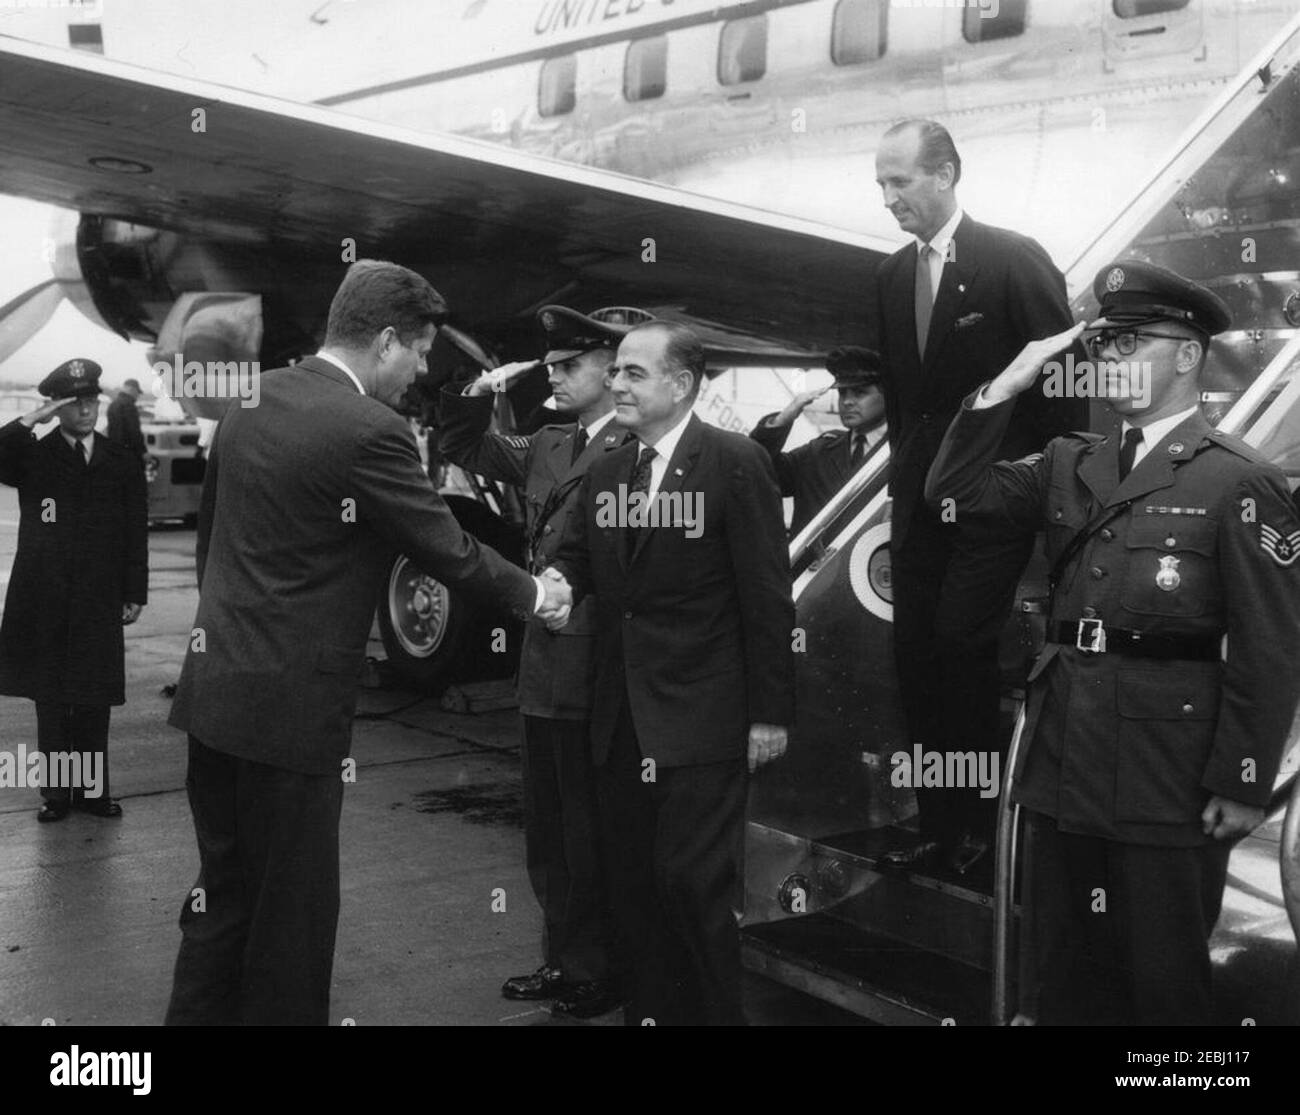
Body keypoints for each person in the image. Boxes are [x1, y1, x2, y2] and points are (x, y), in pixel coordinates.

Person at [164, 260, 573, 1026]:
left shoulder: (253, 399)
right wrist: (536, 593)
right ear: (385, 340)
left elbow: (213, 539)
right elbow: (445, 547)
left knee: (221, 898)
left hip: (213, 695)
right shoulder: (370, 430)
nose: (422, 368)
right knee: (293, 917)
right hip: (290, 715)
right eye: (418, 352)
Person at [926, 260, 1300, 1024]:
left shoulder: (1238, 480)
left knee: (1163, 984)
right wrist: (1008, 383)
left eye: (1133, 343)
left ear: (1189, 355)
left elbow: (1271, 641)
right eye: (1104, 345)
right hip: (1064, 756)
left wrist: (1244, 777)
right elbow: (954, 496)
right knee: (1060, 978)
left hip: (1168, 771)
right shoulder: (1072, 461)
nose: (1111, 360)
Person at [550, 320, 795, 1025]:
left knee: (692, 885)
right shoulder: (609, 467)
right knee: (632, 891)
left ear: (680, 384)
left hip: (702, 721)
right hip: (621, 718)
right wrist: (556, 585)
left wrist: (770, 711)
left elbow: (766, 595)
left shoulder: (735, 462)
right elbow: (581, 559)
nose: (616, 383)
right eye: (616, 371)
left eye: (633, 372)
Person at [871, 118, 1085, 875]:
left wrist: (1052, 498)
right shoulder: (892, 277)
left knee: (964, 649)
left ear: (946, 173)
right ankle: (939, 823)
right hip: (920, 505)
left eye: (901, 182)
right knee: (917, 658)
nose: (889, 198)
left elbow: (1066, 386)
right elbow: (904, 407)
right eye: (881, 185)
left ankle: (984, 832)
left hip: (995, 501)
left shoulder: (1011, 259)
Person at [438, 304, 638, 1019]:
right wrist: (481, 388)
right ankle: (565, 957)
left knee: (591, 827)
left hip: (600, 664)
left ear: (614, 371)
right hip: (544, 660)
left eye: (568, 364)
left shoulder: (637, 446)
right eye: (549, 363)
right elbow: (461, 444)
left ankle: (600, 965)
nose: (553, 374)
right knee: (550, 827)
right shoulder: (549, 441)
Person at [0, 359, 148, 822]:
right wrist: (32, 418)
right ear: (58, 407)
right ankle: (57, 796)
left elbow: (133, 532)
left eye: (91, 402)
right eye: (75, 403)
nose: (86, 411)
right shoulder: (33, 456)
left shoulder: (120, 459)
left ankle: (93, 793)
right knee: (51, 698)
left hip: (98, 596)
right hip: (45, 594)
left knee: (93, 696)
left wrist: (134, 591)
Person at [749, 346, 887, 535]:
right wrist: (782, 420)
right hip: (812, 565)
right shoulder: (818, 452)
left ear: (888, 396)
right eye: (843, 393)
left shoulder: (905, 453)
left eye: (860, 393)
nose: (847, 402)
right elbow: (756, 470)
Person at [106, 377, 146, 458]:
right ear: (132, 389)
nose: (137, 396)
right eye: (137, 392)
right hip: (128, 453)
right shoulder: (129, 405)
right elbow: (134, 431)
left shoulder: (113, 404)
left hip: (114, 451)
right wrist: (143, 451)